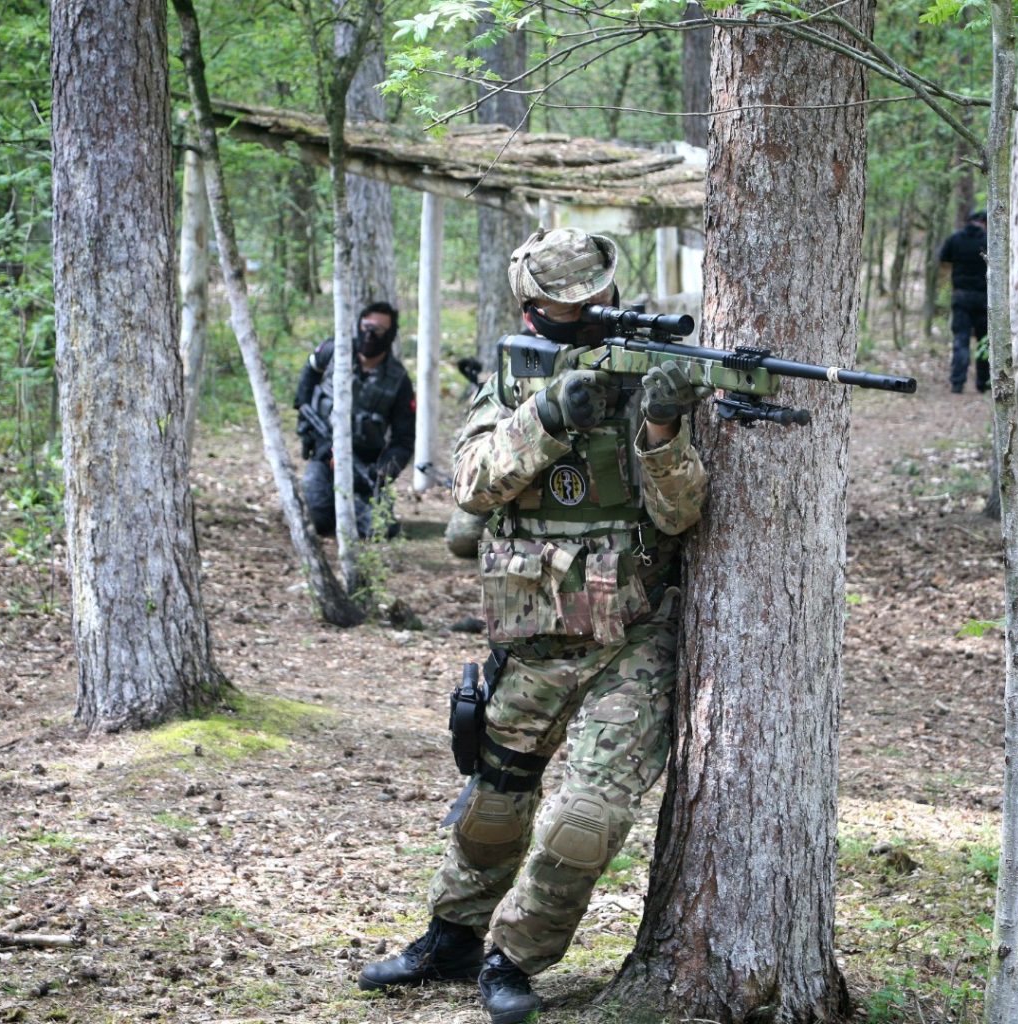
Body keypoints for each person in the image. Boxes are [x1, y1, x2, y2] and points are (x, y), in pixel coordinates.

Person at [356, 228, 710, 1024]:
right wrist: (547, 415)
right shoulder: (515, 380)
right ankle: (450, 936)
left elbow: (683, 512)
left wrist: (658, 431)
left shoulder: (655, 374)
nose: (589, 319)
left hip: (634, 632)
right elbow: (473, 484)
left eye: (601, 304)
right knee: (495, 803)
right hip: (535, 629)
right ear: (531, 311)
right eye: (569, 310)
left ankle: (513, 959)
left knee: (584, 819)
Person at [294, 301, 415, 539]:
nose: (370, 334)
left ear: (389, 335)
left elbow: (404, 440)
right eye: (366, 326)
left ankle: (352, 506)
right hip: (324, 455)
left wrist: (381, 474)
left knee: (379, 529)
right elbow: (308, 378)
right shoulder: (334, 352)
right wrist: (317, 440)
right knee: (316, 518)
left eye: (378, 330)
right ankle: (332, 506)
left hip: (365, 466)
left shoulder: (399, 380)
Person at [938, 209, 989, 393]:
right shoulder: (989, 240)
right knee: (984, 340)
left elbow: (943, 260)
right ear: (984, 221)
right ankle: (983, 383)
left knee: (961, 340)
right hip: (984, 298)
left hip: (961, 295)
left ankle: (957, 382)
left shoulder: (955, 238)